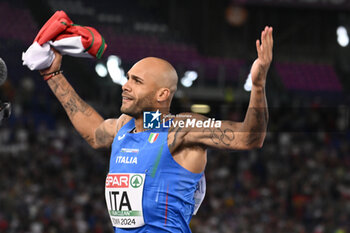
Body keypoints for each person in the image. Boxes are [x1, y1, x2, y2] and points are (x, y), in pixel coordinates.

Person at [38, 26, 273, 232]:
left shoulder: (181, 129)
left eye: (136, 81)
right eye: (128, 78)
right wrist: (53, 74)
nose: (126, 86)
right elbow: (95, 132)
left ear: (162, 94)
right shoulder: (124, 127)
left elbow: (249, 138)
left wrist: (258, 85)